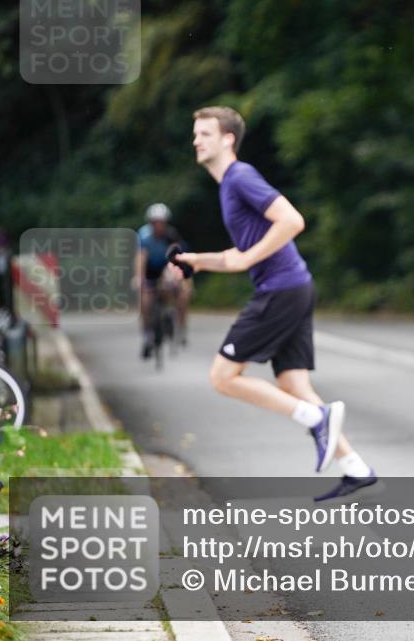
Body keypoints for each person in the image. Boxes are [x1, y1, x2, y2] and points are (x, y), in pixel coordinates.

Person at [175, 106, 377, 500]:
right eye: (195, 134)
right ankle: (355, 467)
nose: (196, 140)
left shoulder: (240, 177)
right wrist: (201, 261)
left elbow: (291, 220)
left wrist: (248, 259)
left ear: (228, 138)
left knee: (222, 377)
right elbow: (241, 253)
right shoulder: (228, 185)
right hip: (294, 285)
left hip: (281, 289)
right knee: (292, 382)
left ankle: (316, 417)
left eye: (205, 134)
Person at [134, 204, 192, 357]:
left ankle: (174, 320)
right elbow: (141, 258)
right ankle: (147, 335)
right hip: (149, 269)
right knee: (145, 301)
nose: (159, 226)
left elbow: (176, 259)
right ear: (151, 223)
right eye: (155, 222)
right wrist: (139, 278)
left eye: (162, 223)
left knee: (176, 290)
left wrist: (176, 278)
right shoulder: (144, 236)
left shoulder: (171, 235)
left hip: (165, 266)